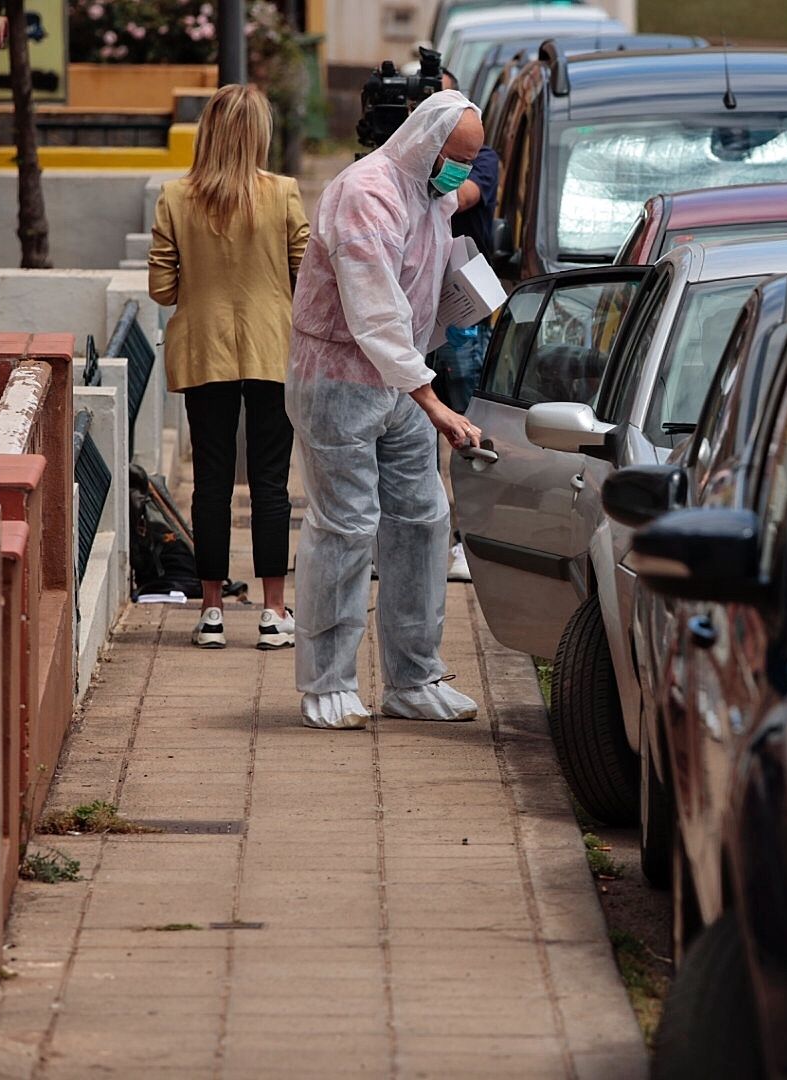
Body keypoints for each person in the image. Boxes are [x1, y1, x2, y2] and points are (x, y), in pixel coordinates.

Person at [287, 90, 486, 731]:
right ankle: (327, 682)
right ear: (424, 142)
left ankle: (414, 676)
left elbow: (462, 197)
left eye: (470, 161)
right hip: (340, 381)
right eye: (454, 158)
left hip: (398, 383)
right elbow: (374, 312)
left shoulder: (429, 190)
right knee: (346, 527)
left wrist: (478, 185)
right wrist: (434, 403)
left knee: (422, 521)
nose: (459, 171)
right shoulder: (366, 194)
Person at [148, 83, 308, 652]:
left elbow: (162, 289)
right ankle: (271, 612)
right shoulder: (285, 195)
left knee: (211, 483)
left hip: (203, 348)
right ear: (259, 134)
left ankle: (212, 612)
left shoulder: (174, 197)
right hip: (273, 348)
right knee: (270, 482)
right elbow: (306, 280)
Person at [433, 68, 501, 582]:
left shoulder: (480, 159)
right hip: (411, 312)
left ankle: (467, 538)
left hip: (459, 316)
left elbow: (462, 196)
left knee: (464, 422)